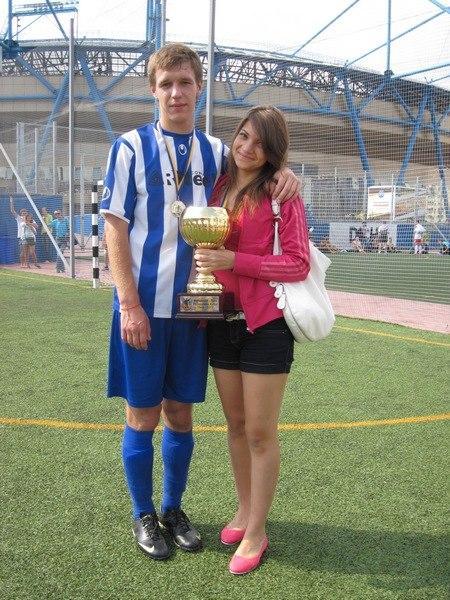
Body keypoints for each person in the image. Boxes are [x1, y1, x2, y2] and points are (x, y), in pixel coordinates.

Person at [100, 43, 300, 562]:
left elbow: (259, 172)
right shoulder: (128, 148)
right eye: (166, 84)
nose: (176, 93)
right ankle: (143, 514)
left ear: (199, 88)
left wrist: (285, 173)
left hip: (197, 310)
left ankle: (173, 509)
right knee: (142, 415)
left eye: (185, 82)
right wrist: (128, 303)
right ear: (153, 90)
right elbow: (115, 227)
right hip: (143, 309)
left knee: (181, 414)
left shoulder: (216, 153)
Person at [194, 106, 310, 575]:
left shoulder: (281, 193)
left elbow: (298, 263)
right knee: (236, 426)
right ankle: (244, 512)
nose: (247, 148)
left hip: (266, 325)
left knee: (261, 432)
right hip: (222, 321)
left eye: (260, 143)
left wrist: (233, 261)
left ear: (273, 152)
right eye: (243, 136)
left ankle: (258, 531)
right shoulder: (219, 186)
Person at [10, 197, 29, 267]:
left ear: (27, 213)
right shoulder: (19, 218)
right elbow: (12, 211)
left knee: (27, 251)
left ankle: (26, 263)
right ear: (21, 214)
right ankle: (22, 263)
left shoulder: (29, 219)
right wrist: (11, 202)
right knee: (22, 251)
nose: (24, 214)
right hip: (21, 237)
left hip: (28, 237)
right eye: (23, 213)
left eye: (25, 213)